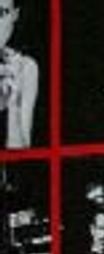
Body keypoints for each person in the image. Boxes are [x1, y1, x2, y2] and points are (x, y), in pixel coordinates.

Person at [0, 0, 38, 149]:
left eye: (1, 13)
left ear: (15, 15)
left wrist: (13, 103)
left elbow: (19, 151)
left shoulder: (24, 67)